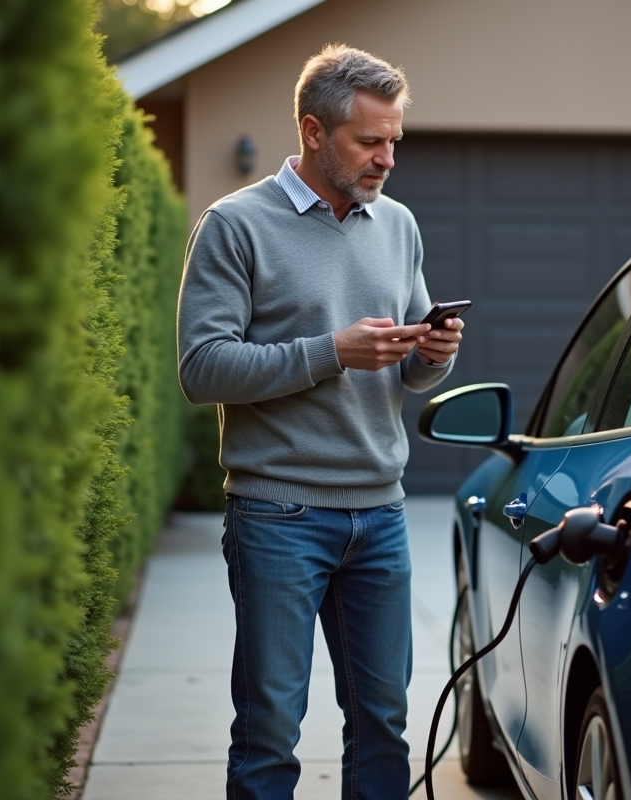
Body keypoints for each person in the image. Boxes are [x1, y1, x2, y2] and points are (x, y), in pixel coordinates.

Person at [176, 44, 462, 800]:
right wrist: (331, 351)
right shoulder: (235, 226)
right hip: (279, 511)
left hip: (382, 511)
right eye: (370, 141)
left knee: (382, 723)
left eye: (394, 139)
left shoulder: (397, 225)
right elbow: (202, 369)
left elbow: (406, 373)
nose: (387, 158)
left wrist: (432, 354)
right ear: (312, 131)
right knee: (269, 729)